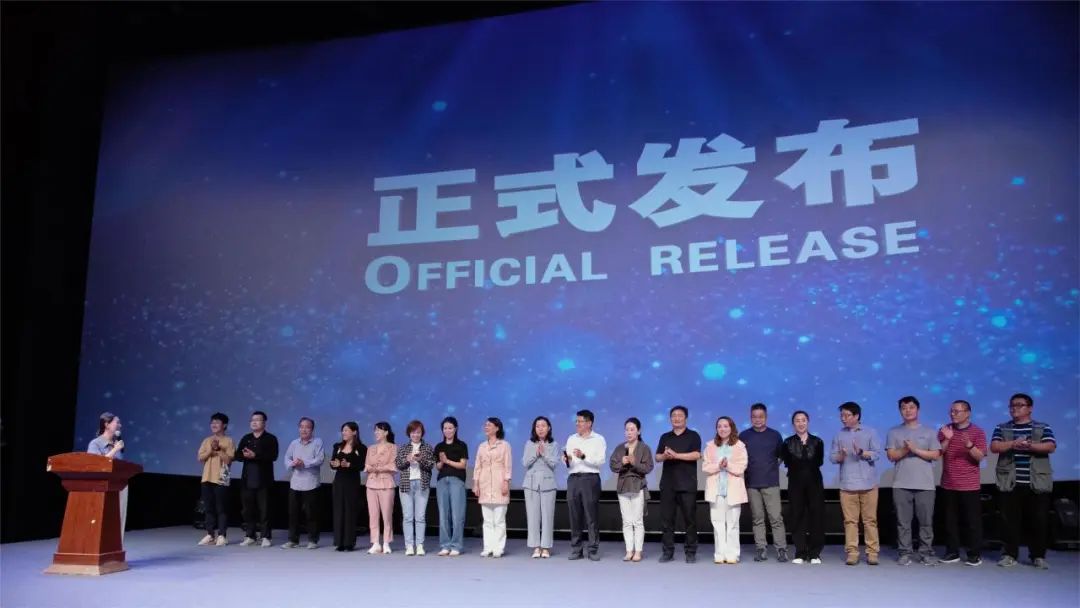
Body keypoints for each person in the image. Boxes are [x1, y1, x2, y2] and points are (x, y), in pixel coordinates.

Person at [990, 393, 1056, 569]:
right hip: (1009, 482)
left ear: (1030, 408)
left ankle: (1038, 556)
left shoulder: (1042, 427)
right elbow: (994, 446)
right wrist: (1013, 444)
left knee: (1038, 520)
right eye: (1012, 405)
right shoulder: (1002, 427)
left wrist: (1030, 446)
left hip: (1036, 482)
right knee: (1009, 521)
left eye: (1019, 405)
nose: (1014, 408)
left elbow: (1050, 446)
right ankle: (1009, 554)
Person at [885, 396, 942, 566]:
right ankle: (905, 552)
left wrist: (915, 449)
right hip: (901, 484)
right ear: (900, 411)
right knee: (903, 522)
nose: (907, 410)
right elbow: (891, 456)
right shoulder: (894, 432)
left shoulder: (929, 431)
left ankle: (926, 552)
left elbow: (935, 454)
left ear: (918, 409)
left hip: (925, 484)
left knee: (926, 522)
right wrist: (905, 449)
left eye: (911, 407)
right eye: (904, 408)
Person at [830, 401, 882, 566]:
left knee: (870, 521)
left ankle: (872, 552)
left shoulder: (870, 432)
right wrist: (841, 456)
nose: (843, 418)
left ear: (857, 416)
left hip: (868, 484)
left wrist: (861, 452)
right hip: (847, 485)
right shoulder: (839, 435)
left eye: (847, 415)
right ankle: (852, 552)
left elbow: (877, 454)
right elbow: (832, 458)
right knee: (850, 522)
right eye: (842, 415)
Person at [937, 399, 987, 566]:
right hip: (948, 482)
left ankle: (974, 554)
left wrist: (969, 445)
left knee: (972, 522)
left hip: (969, 484)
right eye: (951, 411)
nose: (953, 414)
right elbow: (938, 453)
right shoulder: (945, 430)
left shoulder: (977, 432)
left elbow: (980, 457)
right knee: (950, 521)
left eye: (957, 411)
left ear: (967, 413)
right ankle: (952, 552)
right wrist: (947, 439)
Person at [739, 403, 788, 562]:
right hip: (752, 483)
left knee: (776, 518)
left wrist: (770, 468)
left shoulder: (775, 435)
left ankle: (781, 549)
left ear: (766, 417)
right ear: (750, 418)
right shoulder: (744, 436)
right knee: (757, 518)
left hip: (771, 483)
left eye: (761, 416)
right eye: (754, 417)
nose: (757, 419)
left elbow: (781, 456)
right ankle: (761, 549)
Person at [655, 405, 701, 563]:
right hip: (668, 484)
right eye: (673, 415)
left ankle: (691, 551)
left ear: (686, 418)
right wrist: (665, 456)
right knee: (667, 520)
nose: (676, 418)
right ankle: (668, 551)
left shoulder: (693, 435)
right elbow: (657, 457)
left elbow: (696, 455)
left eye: (680, 415)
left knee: (690, 520)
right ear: (670, 419)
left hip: (687, 484)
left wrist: (676, 455)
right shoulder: (665, 437)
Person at [780, 410, 825, 564]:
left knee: (816, 516)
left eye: (803, 420)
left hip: (814, 482)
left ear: (808, 422)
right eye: (797, 420)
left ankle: (814, 553)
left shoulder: (818, 441)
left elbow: (819, 461)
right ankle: (800, 551)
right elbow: (786, 462)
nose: (801, 423)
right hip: (795, 483)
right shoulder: (787, 442)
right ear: (793, 424)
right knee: (797, 515)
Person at [703, 416, 748, 564]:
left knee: (733, 523)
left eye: (726, 426)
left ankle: (732, 554)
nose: (722, 429)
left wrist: (727, 465)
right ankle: (719, 554)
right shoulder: (710, 446)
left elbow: (742, 467)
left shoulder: (740, 446)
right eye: (719, 426)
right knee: (717, 523)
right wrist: (718, 466)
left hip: (733, 490)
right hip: (716, 490)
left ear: (731, 428)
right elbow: (705, 467)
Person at [608, 417, 654, 562]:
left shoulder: (644, 448)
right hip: (623, 487)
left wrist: (634, 463)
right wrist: (622, 463)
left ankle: (638, 551)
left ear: (638, 431)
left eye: (632, 429)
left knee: (637, 521)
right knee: (627, 521)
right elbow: (612, 465)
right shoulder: (620, 448)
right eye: (627, 429)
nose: (629, 432)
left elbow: (648, 467)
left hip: (637, 486)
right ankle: (629, 550)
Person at [564, 409, 607, 561]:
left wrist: (583, 456)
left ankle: (593, 549)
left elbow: (600, 461)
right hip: (573, 478)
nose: (577, 424)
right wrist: (567, 460)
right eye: (576, 421)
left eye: (580, 421)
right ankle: (576, 549)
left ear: (589, 423)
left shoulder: (598, 439)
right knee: (574, 515)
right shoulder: (571, 439)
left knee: (591, 516)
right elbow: (570, 463)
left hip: (590, 478)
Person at [234, 410, 279, 547]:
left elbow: (273, 456)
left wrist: (255, 455)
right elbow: (237, 455)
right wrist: (244, 455)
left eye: (257, 420)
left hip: (264, 480)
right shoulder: (246, 438)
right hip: (247, 479)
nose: (254, 422)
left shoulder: (270, 438)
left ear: (264, 423)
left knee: (264, 510)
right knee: (247, 510)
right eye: (252, 420)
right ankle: (250, 535)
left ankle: (266, 536)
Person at [282, 417, 324, 549]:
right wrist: (292, 463)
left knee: (311, 513)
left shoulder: (317, 442)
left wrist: (304, 463)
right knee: (293, 513)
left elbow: (320, 459)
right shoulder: (294, 443)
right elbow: (287, 457)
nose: (304, 429)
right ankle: (293, 540)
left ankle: (313, 540)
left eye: (307, 427)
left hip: (311, 483)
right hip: (295, 482)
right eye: (301, 427)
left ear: (312, 429)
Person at [395, 420, 435, 556]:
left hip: (422, 484)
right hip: (406, 484)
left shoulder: (427, 447)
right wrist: (407, 459)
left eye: (418, 432)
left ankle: (420, 545)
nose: (415, 435)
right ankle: (409, 546)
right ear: (409, 433)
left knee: (420, 517)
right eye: (413, 432)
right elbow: (398, 465)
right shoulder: (404, 447)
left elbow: (431, 465)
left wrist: (420, 459)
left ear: (422, 433)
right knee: (407, 517)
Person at [474, 417, 512, 558]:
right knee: (487, 520)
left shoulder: (505, 445)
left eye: (489, 425)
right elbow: (477, 466)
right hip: (485, 484)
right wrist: (476, 483)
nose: (486, 427)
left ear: (497, 428)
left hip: (499, 483)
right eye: (485, 425)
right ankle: (488, 547)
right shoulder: (482, 446)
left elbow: (508, 465)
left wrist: (506, 482)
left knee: (499, 519)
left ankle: (498, 548)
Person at [523, 416, 560, 559]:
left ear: (549, 428)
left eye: (543, 426)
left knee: (547, 516)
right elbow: (525, 463)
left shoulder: (554, 444)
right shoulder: (529, 443)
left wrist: (544, 454)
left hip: (548, 483)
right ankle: (536, 546)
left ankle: (545, 547)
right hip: (531, 483)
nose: (540, 429)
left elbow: (554, 464)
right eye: (537, 426)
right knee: (532, 516)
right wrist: (535, 453)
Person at [88, 412, 128, 542]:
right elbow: (96, 465)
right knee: (102, 517)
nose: (120, 425)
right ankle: (97, 545)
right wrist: (115, 450)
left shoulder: (117, 444)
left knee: (119, 517)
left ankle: (117, 546)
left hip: (120, 485)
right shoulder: (95, 443)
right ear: (107, 425)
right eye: (117, 422)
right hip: (101, 486)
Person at [196, 412, 235, 546]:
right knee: (208, 508)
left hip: (221, 478)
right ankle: (210, 534)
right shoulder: (206, 440)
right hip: (207, 477)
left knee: (221, 508)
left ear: (224, 425)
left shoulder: (229, 441)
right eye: (212, 422)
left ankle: (222, 535)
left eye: (217, 422)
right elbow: (200, 458)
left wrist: (218, 449)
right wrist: (210, 450)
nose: (214, 425)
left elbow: (228, 460)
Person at [433, 416, 469, 556]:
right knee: (443, 514)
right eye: (445, 428)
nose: (447, 430)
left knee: (457, 514)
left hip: (457, 480)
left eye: (450, 428)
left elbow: (463, 465)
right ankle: (445, 545)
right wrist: (442, 462)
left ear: (455, 429)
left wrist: (447, 460)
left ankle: (456, 545)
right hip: (442, 480)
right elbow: (438, 467)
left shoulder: (461, 445)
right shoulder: (439, 446)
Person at [329, 421, 367, 552]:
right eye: (343, 430)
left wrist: (349, 465)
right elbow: (333, 462)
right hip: (339, 481)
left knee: (350, 511)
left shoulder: (361, 448)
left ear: (354, 432)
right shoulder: (337, 446)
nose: (343, 433)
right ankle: (339, 542)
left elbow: (362, 466)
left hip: (352, 482)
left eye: (346, 430)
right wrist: (334, 464)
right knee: (338, 510)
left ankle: (349, 542)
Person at [364, 421, 397, 554]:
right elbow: (367, 465)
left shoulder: (393, 447)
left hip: (386, 484)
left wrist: (379, 468)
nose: (376, 432)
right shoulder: (371, 448)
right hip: (371, 483)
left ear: (386, 432)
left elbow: (393, 466)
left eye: (379, 430)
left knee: (387, 515)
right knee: (373, 515)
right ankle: (375, 542)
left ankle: (386, 542)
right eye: (375, 430)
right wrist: (372, 468)